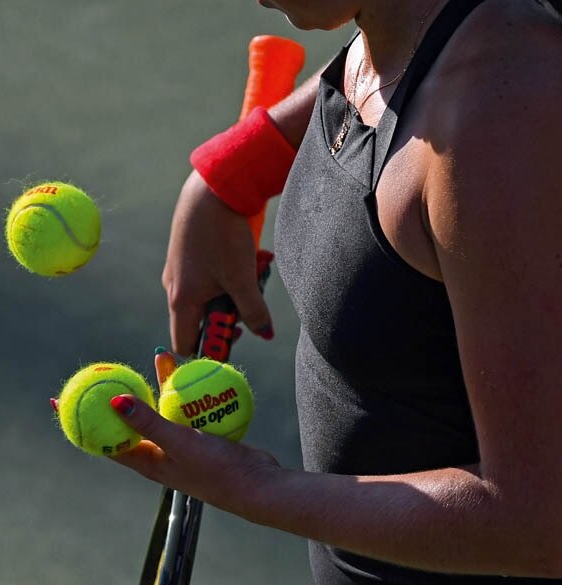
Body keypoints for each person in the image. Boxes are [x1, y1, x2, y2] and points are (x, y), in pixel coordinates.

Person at [110, 0, 562, 583]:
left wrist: (256, 487)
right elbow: (390, 87)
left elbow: (540, 524)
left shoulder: (499, 125)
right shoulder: (404, 27)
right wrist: (233, 172)